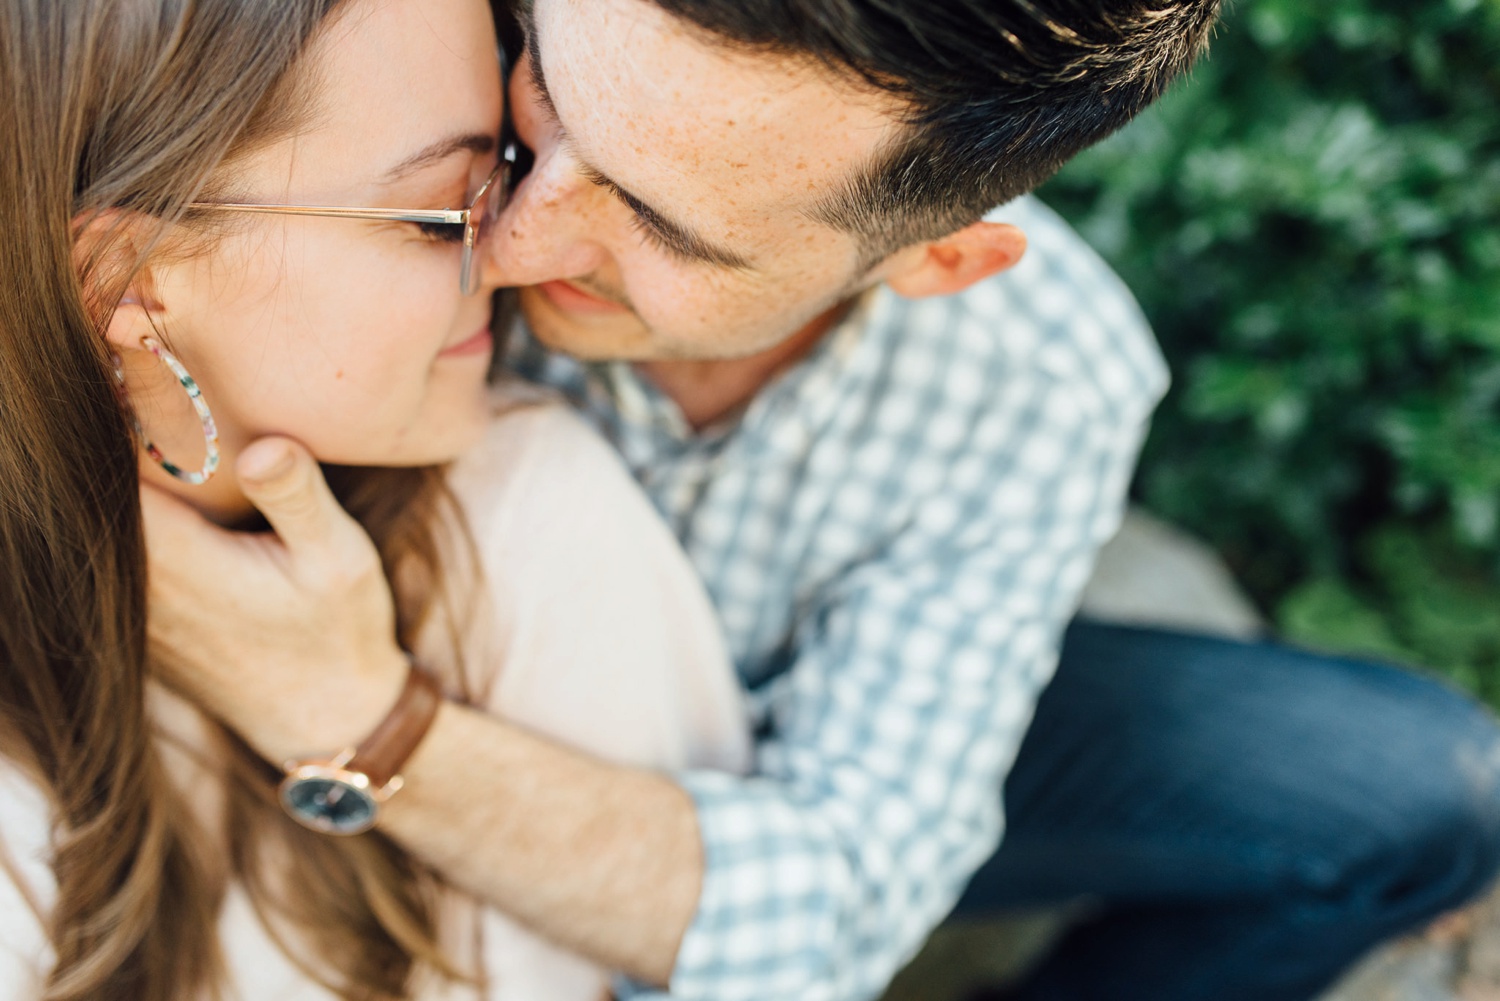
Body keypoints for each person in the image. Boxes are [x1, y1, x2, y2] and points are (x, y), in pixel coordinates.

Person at [139, 1, 1500, 1000]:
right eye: (543, 95)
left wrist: (357, 721)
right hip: (435, 712)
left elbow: (836, 912)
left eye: (666, 227)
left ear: (942, 262)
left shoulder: (1041, 375)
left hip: (785, 734)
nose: (507, 237)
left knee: (1424, 800)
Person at [0, 1, 751, 999]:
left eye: (509, 172)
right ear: (122, 280)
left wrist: (375, 721)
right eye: (445, 210)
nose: (520, 250)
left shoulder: (524, 510)